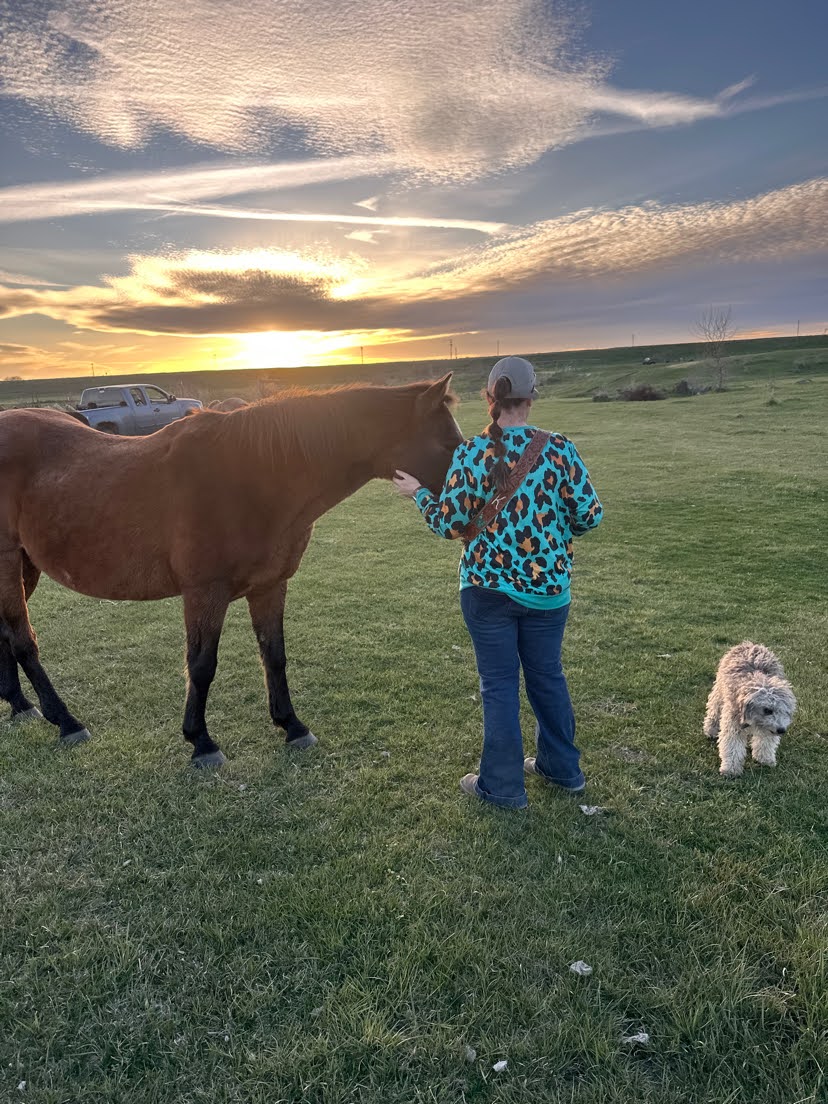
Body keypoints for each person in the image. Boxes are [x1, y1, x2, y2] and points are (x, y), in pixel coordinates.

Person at [393, 356, 603, 809]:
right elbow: (589, 516)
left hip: (485, 590)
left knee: (500, 685)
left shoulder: (471, 453)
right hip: (549, 592)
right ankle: (562, 769)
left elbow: (449, 524)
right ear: (531, 398)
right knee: (548, 677)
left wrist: (418, 494)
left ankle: (503, 787)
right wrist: (555, 533)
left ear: (490, 397)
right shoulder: (561, 449)